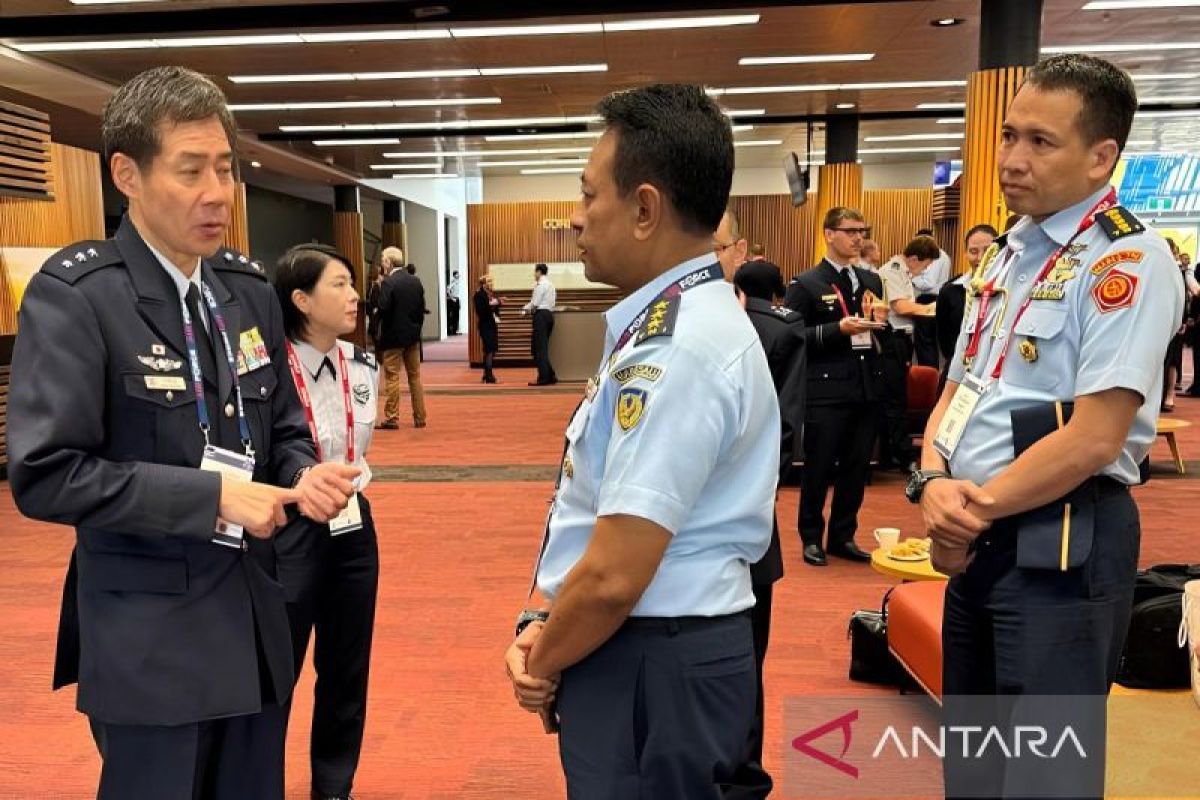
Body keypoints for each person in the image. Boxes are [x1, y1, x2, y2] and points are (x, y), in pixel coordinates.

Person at [6, 66, 359, 800]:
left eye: (226, 169)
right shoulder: (81, 298)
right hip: (149, 636)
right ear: (127, 175)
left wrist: (301, 474)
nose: (218, 193)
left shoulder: (246, 289)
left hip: (258, 619)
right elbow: (45, 472)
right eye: (191, 170)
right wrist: (214, 498)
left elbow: (284, 428)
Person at [912, 54, 1183, 799]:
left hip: (1062, 540)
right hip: (978, 534)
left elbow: (1097, 436)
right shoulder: (1008, 253)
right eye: (1008, 136)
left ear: (1101, 157)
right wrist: (933, 480)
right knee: (972, 762)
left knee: (1044, 773)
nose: (1010, 161)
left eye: (1040, 142)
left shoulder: (1126, 259)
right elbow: (959, 388)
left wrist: (970, 510)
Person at [503, 84, 779, 798]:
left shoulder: (678, 347)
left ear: (646, 208)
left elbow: (614, 576)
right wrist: (546, 617)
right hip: (650, 646)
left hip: (651, 652)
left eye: (589, 195)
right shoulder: (673, 322)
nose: (576, 217)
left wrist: (542, 658)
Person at [271, 244, 380, 800]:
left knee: (346, 669)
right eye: (339, 284)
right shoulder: (267, 371)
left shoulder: (364, 364)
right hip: (287, 527)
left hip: (353, 524)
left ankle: (333, 787)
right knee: (277, 670)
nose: (354, 295)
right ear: (301, 299)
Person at [715, 211, 802, 799]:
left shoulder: (774, 333)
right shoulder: (647, 329)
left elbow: (787, 437)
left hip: (741, 534)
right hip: (661, 547)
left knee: (743, 666)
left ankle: (743, 779)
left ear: (738, 252)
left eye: (711, 244)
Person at [784, 206, 887, 566]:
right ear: (829, 234)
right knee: (819, 467)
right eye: (850, 230)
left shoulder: (871, 281)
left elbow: (878, 332)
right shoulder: (806, 283)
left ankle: (843, 535)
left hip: (864, 386)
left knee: (857, 468)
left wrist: (880, 325)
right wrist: (836, 330)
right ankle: (811, 537)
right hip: (826, 391)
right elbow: (792, 336)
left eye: (863, 230)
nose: (858, 237)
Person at [877, 236, 941, 470]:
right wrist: (931, 309)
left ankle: (893, 453)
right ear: (914, 259)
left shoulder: (903, 272)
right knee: (895, 399)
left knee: (898, 397)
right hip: (892, 339)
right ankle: (899, 455)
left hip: (901, 340)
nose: (924, 270)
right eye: (925, 265)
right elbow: (901, 306)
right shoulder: (893, 271)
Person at [936, 224, 999, 381]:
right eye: (973, 251)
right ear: (965, 253)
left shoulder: (1007, 288)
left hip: (995, 376)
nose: (980, 258)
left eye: (987, 251)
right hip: (957, 374)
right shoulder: (950, 290)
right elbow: (945, 340)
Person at [375, 246, 428, 429]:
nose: (382, 264)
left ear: (389, 262)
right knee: (415, 377)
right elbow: (421, 309)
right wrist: (415, 329)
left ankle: (392, 417)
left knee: (392, 376)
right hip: (412, 337)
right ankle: (420, 417)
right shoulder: (415, 281)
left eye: (383, 260)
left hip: (393, 338)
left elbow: (382, 308)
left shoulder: (389, 283)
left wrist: (380, 287)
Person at [522, 263, 558, 385]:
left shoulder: (540, 285)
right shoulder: (551, 285)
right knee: (541, 347)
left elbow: (535, 303)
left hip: (541, 316)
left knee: (539, 349)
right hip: (549, 316)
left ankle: (544, 378)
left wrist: (524, 310)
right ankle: (550, 375)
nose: (534, 274)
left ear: (538, 272)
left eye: (534, 272)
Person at [473, 272, 503, 383]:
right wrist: (495, 303)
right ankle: (489, 376)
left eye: (491, 281)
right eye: (489, 281)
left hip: (491, 324)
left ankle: (485, 375)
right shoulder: (479, 294)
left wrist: (498, 303)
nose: (491, 283)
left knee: (491, 350)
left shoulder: (489, 294)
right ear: (483, 284)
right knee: (489, 350)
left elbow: (493, 308)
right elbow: (481, 311)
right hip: (485, 325)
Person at [446, 269, 461, 336]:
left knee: (457, 315)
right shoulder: (453, 281)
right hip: (454, 299)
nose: (458, 275)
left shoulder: (458, 282)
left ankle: (455, 330)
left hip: (457, 299)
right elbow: (448, 289)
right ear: (455, 275)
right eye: (457, 274)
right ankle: (453, 331)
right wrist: (452, 298)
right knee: (454, 316)